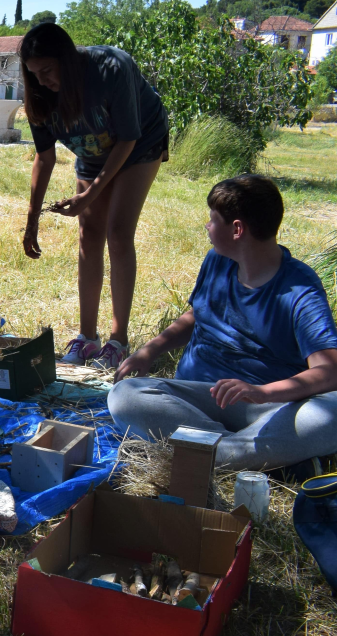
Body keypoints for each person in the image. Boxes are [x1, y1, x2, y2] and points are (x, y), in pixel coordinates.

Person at [110, 175, 337, 471]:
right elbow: (197, 315)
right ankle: (261, 459)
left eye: (213, 219)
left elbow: (329, 371)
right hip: (195, 400)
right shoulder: (217, 261)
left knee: (330, 412)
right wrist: (150, 350)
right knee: (124, 396)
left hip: (266, 410)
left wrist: (261, 392)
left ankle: (208, 454)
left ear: (237, 229)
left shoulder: (300, 289)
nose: (207, 226)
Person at [19, 22, 170, 370]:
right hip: (93, 151)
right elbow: (44, 158)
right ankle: (87, 338)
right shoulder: (39, 96)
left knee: (118, 232)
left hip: (139, 143)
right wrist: (31, 221)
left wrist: (90, 195)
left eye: (47, 70)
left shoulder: (111, 67)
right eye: (33, 74)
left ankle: (118, 342)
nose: (41, 81)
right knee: (88, 234)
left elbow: (128, 138)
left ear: (67, 59)